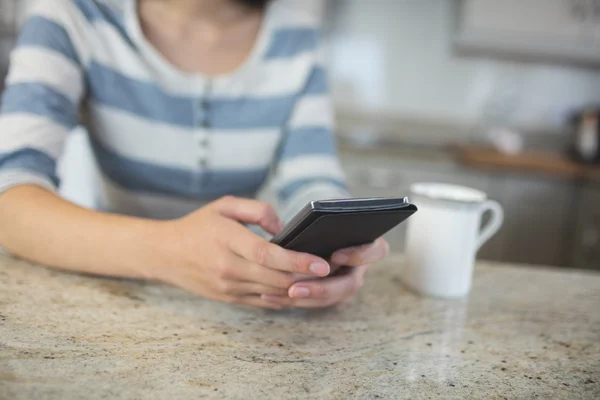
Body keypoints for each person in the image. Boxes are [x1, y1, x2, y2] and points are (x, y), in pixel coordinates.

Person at [0, 0, 389, 309]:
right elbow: (10, 194)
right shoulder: (71, 16)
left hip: (242, 304)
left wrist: (341, 243)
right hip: (115, 293)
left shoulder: (297, 36)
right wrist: (169, 251)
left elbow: (313, 181)